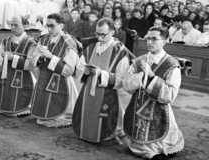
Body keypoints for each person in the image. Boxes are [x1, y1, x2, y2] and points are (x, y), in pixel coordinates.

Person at [123, 27, 184, 160]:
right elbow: (126, 83)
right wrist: (138, 78)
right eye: (148, 38)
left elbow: (170, 95)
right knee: (135, 142)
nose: (150, 42)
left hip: (159, 108)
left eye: (154, 39)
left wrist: (151, 77)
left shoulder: (172, 65)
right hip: (137, 106)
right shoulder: (138, 61)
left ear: (164, 41)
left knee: (160, 143)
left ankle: (155, 150)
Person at [72, 17, 134, 143]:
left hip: (108, 93)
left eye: (103, 35)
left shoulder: (120, 52)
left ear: (112, 32)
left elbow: (122, 79)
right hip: (88, 89)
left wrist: (101, 74)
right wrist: (84, 70)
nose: (99, 38)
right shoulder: (91, 47)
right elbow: (79, 66)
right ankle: (86, 130)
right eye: (97, 34)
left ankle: (109, 132)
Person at [31, 13, 81, 127]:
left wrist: (50, 57)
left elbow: (68, 70)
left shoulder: (69, 42)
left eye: (52, 26)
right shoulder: (43, 39)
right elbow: (33, 61)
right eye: (46, 26)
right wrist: (39, 58)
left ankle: (60, 116)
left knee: (61, 115)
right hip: (44, 78)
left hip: (61, 81)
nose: (48, 29)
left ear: (61, 25)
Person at [0, 15, 37, 117]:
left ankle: (24, 108)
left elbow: (31, 65)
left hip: (24, 76)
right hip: (7, 73)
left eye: (16, 25)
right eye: (11, 25)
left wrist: (13, 58)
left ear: (25, 26)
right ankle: (6, 107)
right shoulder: (6, 41)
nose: (12, 28)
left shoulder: (31, 43)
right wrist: (2, 56)